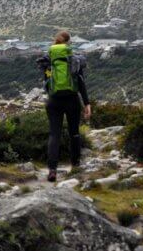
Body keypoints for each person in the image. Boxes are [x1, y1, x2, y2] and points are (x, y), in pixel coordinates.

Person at [42, 31, 90, 182]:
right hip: (72, 100)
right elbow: (81, 82)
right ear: (68, 43)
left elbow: (46, 82)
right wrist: (87, 103)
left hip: (53, 101)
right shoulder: (74, 60)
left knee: (54, 134)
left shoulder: (48, 61)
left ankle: (52, 170)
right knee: (74, 133)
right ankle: (75, 165)